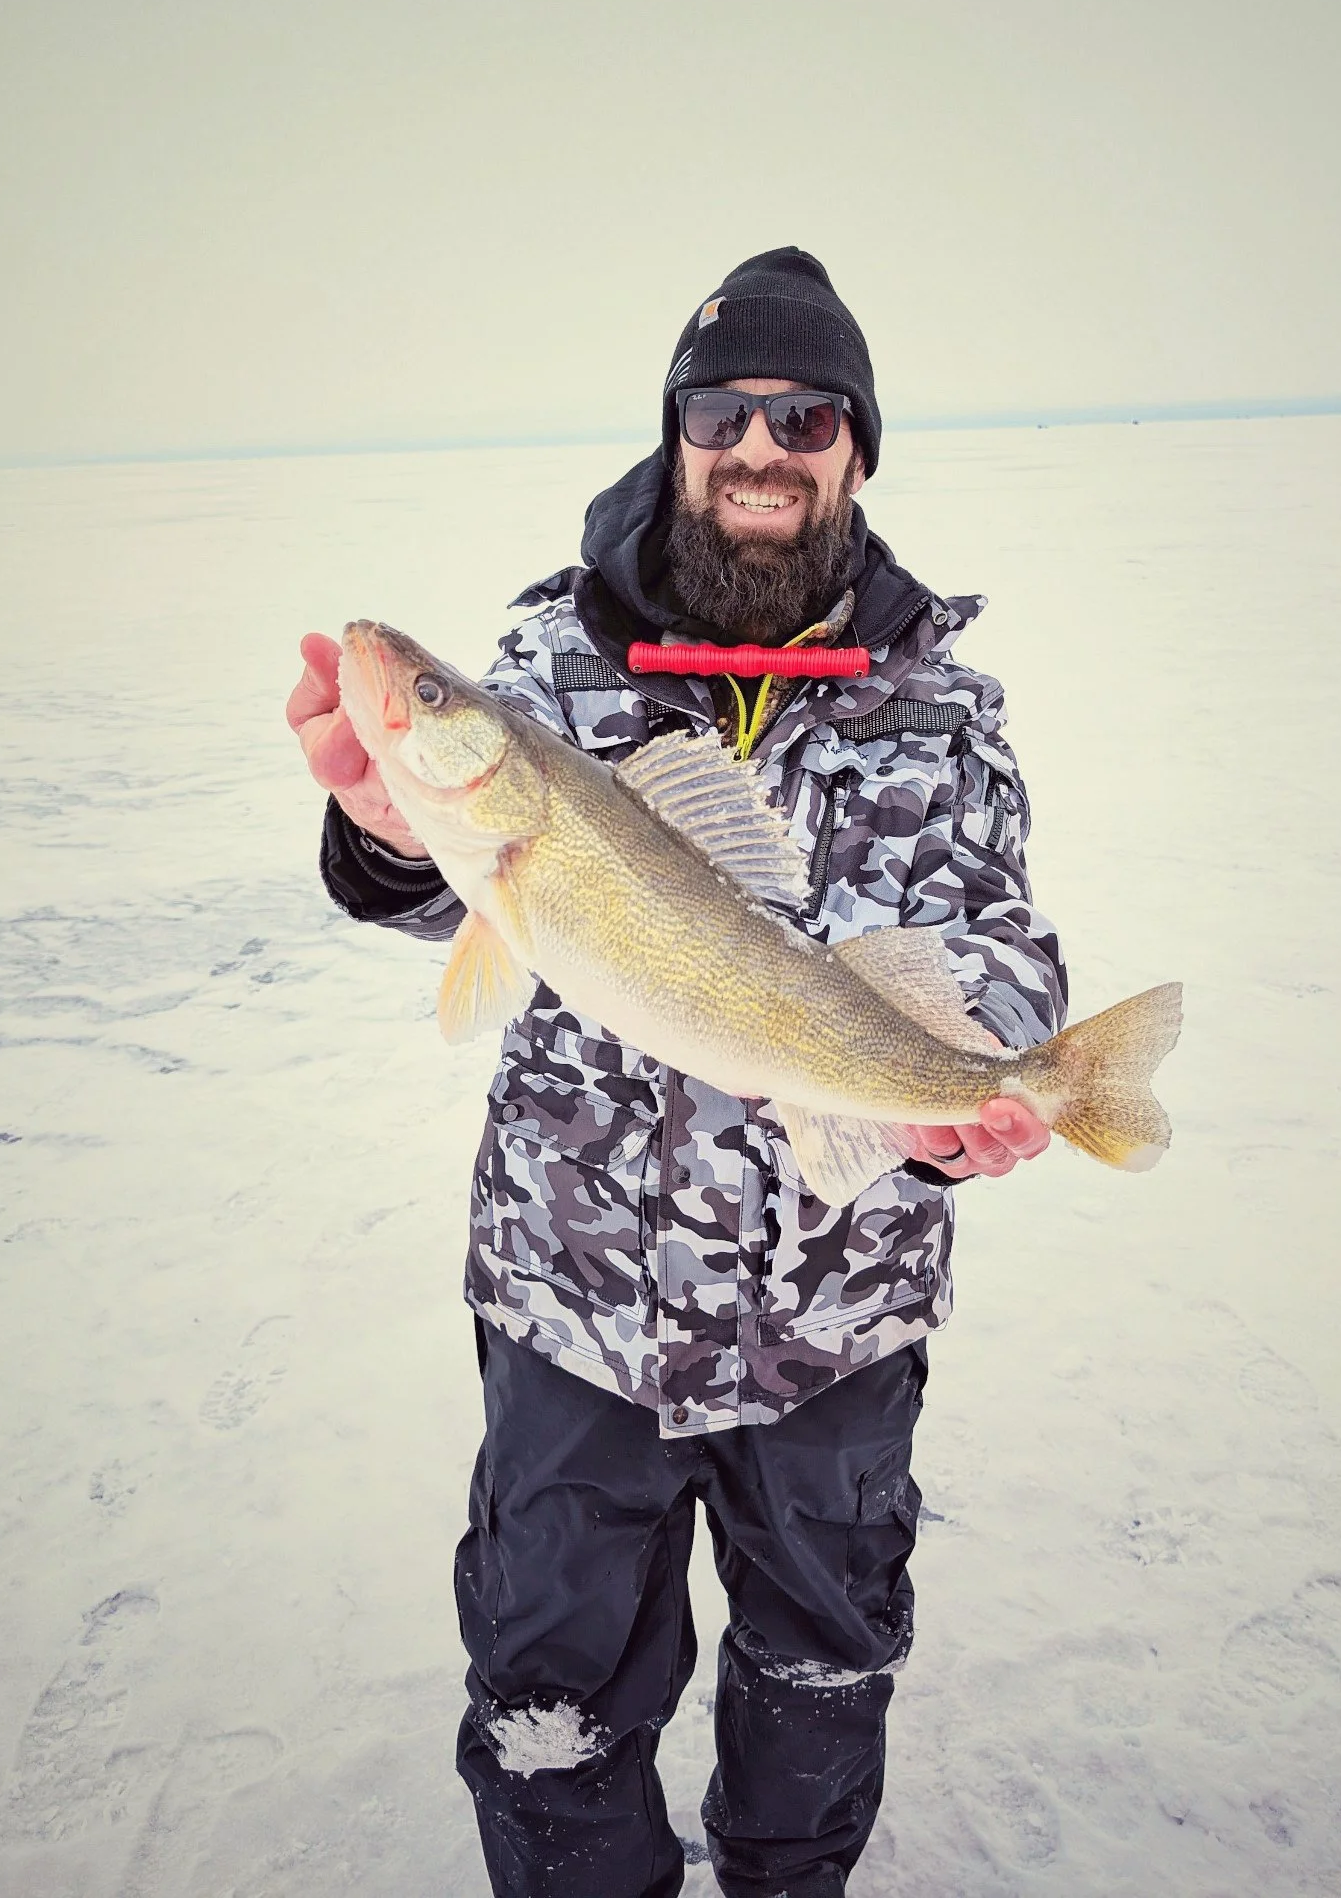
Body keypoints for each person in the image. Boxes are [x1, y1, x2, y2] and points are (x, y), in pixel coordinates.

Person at [286, 248, 1067, 1898]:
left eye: (806, 412)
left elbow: (993, 948)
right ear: (677, 435)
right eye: (724, 410)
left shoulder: (947, 714)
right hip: (578, 1310)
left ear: (856, 448)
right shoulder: (542, 670)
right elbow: (436, 879)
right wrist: (381, 814)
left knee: (817, 1689)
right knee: (550, 1719)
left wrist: (964, 1106)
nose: (761, 442)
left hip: (837, 1324)